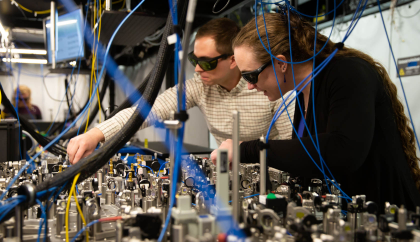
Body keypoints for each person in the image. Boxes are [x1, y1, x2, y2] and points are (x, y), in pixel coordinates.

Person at [211, 12, 420, 213]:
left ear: (280, 63)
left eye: (251, 76)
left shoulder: (348, 73)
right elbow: (310, 159)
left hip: (388, 219)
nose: (249, 86)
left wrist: (248, 149)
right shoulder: (302, 93)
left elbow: (343, 150)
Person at [67, 18, 295, 164]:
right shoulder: (200, 85)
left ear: (233, 60)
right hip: (226, 175)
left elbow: (292, 146)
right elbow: (148, 110)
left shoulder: (270, 86)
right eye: (194, 59)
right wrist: (95, 134)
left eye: (206, 62)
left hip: (268, 182)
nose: (196, 68)